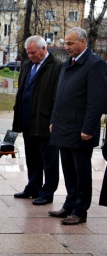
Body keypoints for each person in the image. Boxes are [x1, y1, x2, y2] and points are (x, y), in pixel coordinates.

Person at [49, 27, 107, 225]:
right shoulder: (69, 64)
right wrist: (53, 120)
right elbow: (60, 96)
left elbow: (97, 100)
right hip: (63, 126)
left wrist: (88, 128)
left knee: (81, 171)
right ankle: (69, 204)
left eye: (71, 43)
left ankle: (80, 210)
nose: (67, 47)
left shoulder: (95, 64)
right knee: (68, 169)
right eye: (66, 43)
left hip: (80, 129)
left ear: (83, 42)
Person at [12, 35, 62, 205]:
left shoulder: (56, 66)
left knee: (49, 160)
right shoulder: (27, 65)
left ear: (43, 49)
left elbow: (58, 96)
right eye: (28, 53)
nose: (31, 56)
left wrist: (54, 119)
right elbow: (22, 90)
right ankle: (33, 187)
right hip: (27, 120)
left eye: (33, 53)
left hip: (45, 122)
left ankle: (47, 192)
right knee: (32, 157)